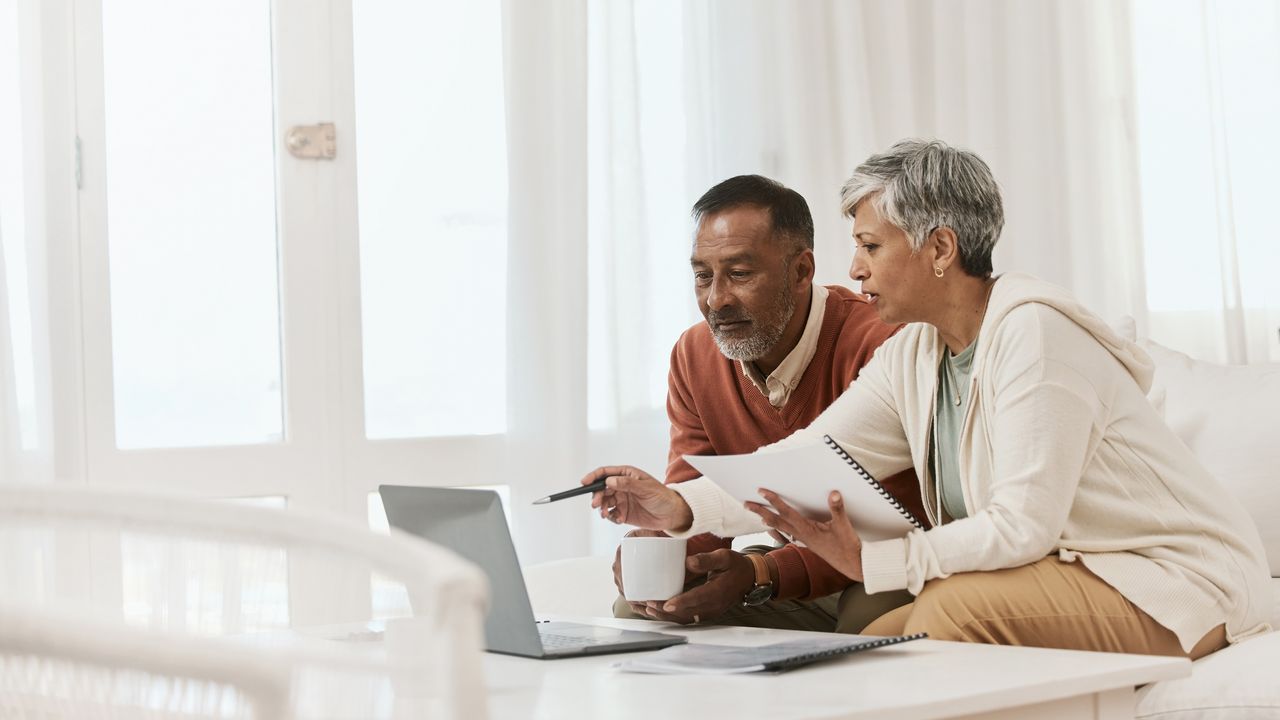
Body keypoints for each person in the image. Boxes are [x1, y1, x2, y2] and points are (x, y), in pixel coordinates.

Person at [589, 140, 1273, 658]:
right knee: (864, 655)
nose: (853, 267)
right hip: (1071, 574)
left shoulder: (1035, 334)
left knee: (937, 618)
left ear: (940, 247)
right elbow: (813, 458)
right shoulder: (915, 352)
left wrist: (879, 563)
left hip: (1172, 581)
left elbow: (1021, 527)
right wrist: (679, 505)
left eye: (870, 245)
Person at [595, 174, 923, 633]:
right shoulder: (695, 355)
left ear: (801, 272)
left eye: (740, 274)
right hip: (785, 566)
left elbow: (897, 522)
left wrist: (761, 573)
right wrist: (661, 545)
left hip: (880, 563)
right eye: (703, 276)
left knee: (870, 614)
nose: (716, 300)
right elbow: (695, 492)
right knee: (643, 608)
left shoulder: (882, 343)